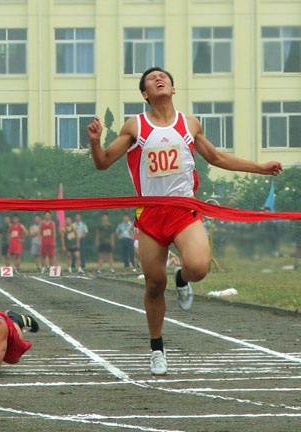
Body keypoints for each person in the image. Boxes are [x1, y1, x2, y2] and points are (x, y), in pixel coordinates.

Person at [87, 66, 282, 376]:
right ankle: (157, 349)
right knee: (153, 286)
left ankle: (182, 279)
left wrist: (260, 167)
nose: (158, 79)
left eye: (163, 77)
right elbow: (103, 163)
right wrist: (96, 142)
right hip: (150, 214)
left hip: (183, 210)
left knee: (199, 268)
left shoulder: (189, 124)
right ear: (145, 94)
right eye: (151, 79)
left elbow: (217, 158)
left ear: (173, 89)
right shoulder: (135, 126)